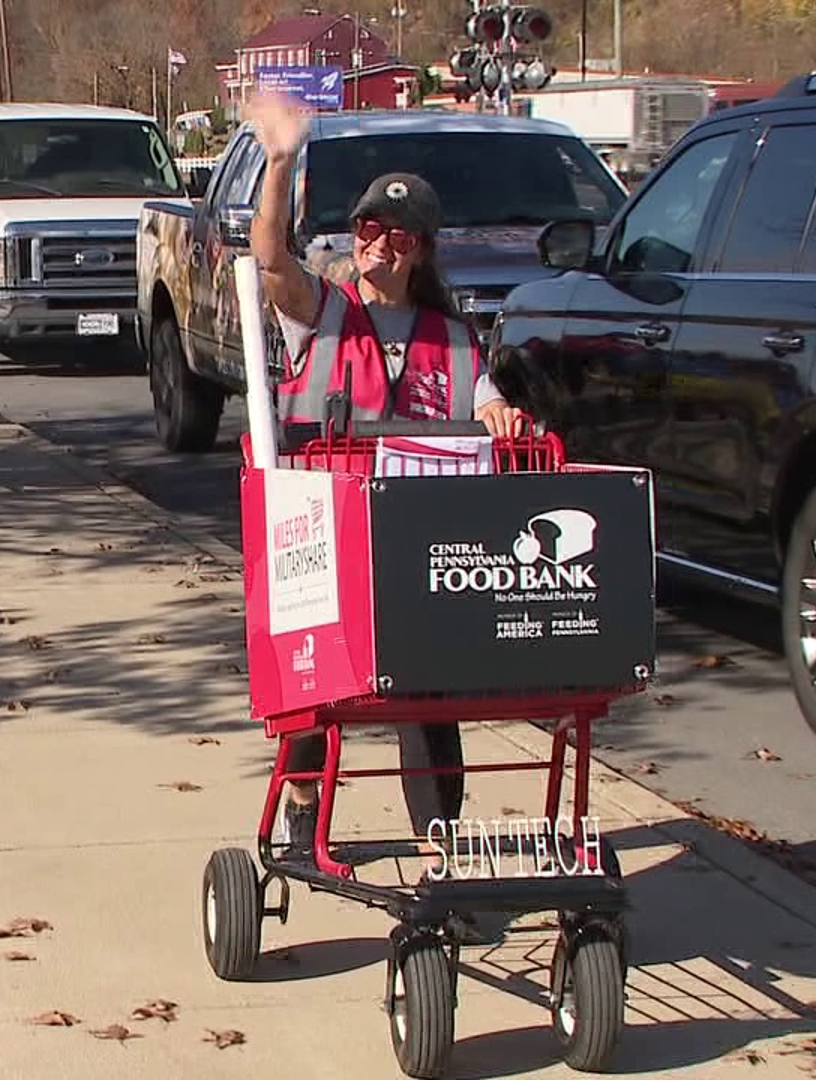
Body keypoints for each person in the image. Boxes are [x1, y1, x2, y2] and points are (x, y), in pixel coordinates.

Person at [243, 91, 527, 886]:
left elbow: (488, 402)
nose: (380, 245)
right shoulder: (322, 311)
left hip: (423, 551)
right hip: (325, 543)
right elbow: (270, 259)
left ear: (422, 251)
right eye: (369, 229)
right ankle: (302, 821)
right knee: (314, 692)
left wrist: (502, 415)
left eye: (398, 236)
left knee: (432, 701)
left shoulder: (456, 340)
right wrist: (281, 159)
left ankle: (442, 842)